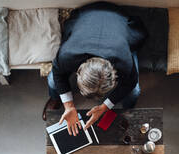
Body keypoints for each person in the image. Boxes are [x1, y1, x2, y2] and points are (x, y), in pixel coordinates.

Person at [42, 2, 147, 136]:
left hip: (118, 18)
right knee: (52, 80)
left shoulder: (123, 60)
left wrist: (105, 106)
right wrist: (69, 105)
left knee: (134, 91)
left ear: (114, 74)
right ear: (78, 71)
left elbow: (130, 82)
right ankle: (56, 98)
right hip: (87, 15)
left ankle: (127, 109)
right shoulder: (67, 55)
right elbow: (58, 73)